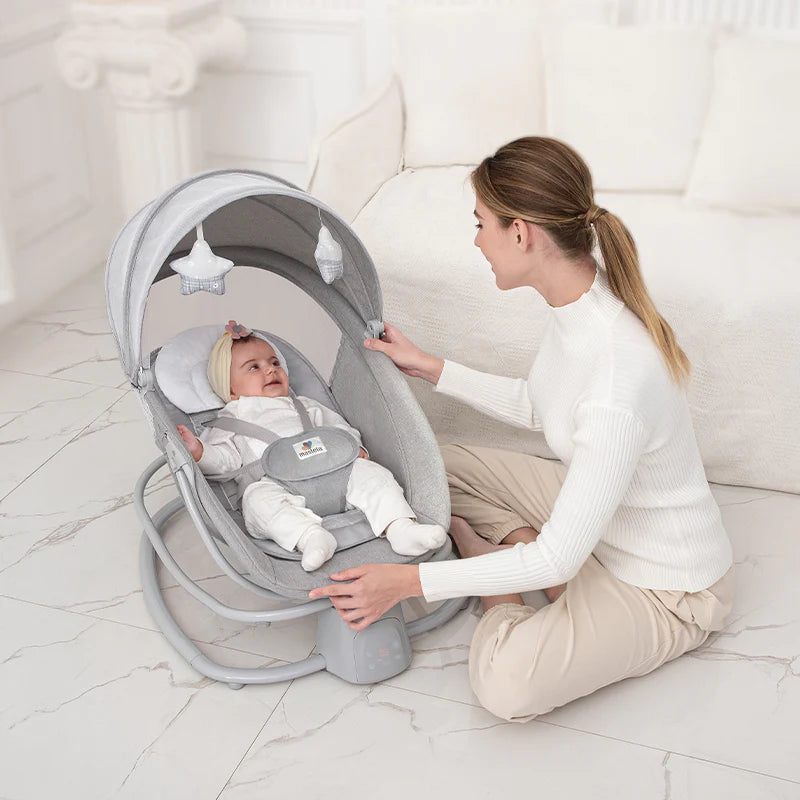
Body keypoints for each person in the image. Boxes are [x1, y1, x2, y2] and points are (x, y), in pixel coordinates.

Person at [308, 136, 735, 722]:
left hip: (666, 587)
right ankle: (522, 547)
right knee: (434, 465)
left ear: (521, 233)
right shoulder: (582, 304)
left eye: (480, 223)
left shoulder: (616, 381)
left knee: (507, 685)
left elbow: (557, 559)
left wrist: (409, 583)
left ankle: (499, 572)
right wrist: (429, 366)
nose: (476, 240)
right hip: (606, 522)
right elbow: (542, 406)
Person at [177, 321, 446, 572]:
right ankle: (310, 537)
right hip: (278, 485)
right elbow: (225, 462)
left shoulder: (304, 405)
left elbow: (338, 430)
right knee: (256, 501)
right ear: (230, 389)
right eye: (253, 367)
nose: (270, 369)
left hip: (335, 476)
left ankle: (399, 527)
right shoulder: (230, 419)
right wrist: (199, 452)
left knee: (373, 475)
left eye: (274, 362)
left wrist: (353, 448)